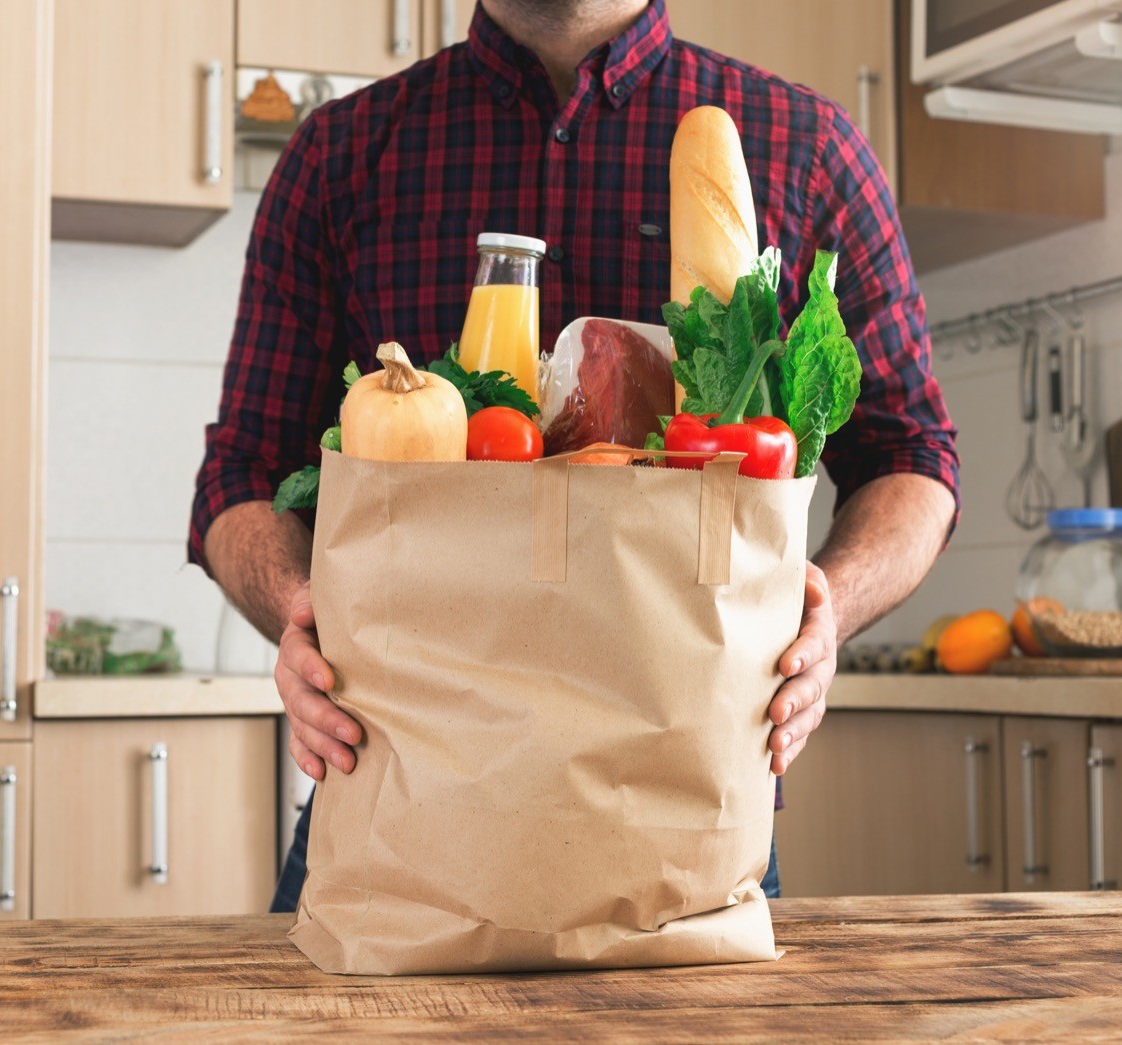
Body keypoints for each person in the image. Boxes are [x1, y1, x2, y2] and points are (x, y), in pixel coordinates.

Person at [190, 0, 959, 912]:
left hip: (686, 834)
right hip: (401, 820)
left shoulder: (807, 144)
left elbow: (912, 457)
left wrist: (817, 617)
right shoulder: (341, 153)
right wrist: (301, 613)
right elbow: (239, 476)